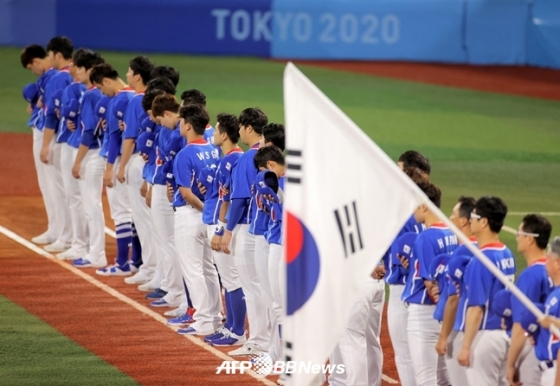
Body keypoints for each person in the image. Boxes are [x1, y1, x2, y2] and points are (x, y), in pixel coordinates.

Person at [220, 107, 270, 356]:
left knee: (252, 286)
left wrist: (227, 231)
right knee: (265, 286)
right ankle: (269, 341)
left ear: (249, 128)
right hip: (270, 229)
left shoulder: (246, 159)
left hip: (249, 228)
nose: (239, 130)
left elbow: (239, 200)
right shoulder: (273, 153)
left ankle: (259, 341)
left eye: (241, 126)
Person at [170, 102, 221, 335]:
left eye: (182, 122)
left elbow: (185, 193)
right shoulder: (214, 149)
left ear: (188, 126)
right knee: (209, 269)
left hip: (191, 215)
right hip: (208, 218)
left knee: (193, 270)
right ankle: (215, 316)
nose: (179, 124)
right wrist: (208, 210)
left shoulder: (184, 154)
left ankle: (202, 320)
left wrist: (202, 208)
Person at [401, 181, 458, 386]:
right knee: (444, 378)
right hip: (445, 314)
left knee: (425, 378)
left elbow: (430, 282)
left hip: (423, 314)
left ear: (424, 205)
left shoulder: (424, 237)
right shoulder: (451, 233)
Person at [457, 196, 516, 385]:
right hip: (505, 335)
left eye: (474, 216)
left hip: (484, 336)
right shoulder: (507, 253)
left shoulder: (481, 260)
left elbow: (476, 308)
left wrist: (466, 347)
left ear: (484, 222)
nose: (471, 220)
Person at [200, 113, 247, 346]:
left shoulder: (233, 160)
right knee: (228, 278)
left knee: (232, 278)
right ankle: (230, 326)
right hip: (218, 223)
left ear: (225, 135)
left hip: (225, 226)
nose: (214, 133)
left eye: (217, 130)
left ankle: (238, 331)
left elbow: (230, 198)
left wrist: (221, 229)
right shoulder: (226, 158)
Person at [385, 152, 430, 386]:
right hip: (427, 291)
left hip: (405, 287)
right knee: (427, 358)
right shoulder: (431, 208)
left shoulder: (403, 210)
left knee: (406, 355)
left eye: (400, 168)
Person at [85, 63, 135, 274]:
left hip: (121, 161)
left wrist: (110, 168)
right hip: (136, 161)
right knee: (134, 213)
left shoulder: (119, 100)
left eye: (99, 87)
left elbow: (114, 138)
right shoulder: (135, 95)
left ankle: (122, 263)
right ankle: (137, 261)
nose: (100, 92)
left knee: (121, 212)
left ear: (106, 81)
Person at [115, 56, 159, 285]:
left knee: (143, 218)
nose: (127, 75)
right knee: (151, 218)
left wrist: (121, 166)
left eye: (130, 72)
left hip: (139, 162)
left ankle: (150, 268)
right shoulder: (154, 99)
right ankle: (154, 269)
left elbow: (130, 137)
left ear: (138, 76)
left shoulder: (135, 101)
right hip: (152, 161)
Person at [69, 50, 107, 268]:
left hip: (91, 154)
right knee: (92, 204)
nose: (77, 72)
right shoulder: (98, 94)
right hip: (96, 153)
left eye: (81, 68)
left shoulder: (92, 94)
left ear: (90, 70)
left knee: (91, 205)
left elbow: (90, 129)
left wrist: (77, 161)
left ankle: (97, 253)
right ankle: (95, 251)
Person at [433, 196, 476, 386]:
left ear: (464, 221)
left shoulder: (463, 252)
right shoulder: (487, 250)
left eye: (454, 214)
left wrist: (443, 337)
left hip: (461, 329)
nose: (449, 217)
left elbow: (454, 298)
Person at [506, 214, 552, 386]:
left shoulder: (529, 276)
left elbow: (520, 327)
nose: (517, 237)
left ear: (530, 239)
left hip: (534, 349)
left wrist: (511, 364)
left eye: (519, 233)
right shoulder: (553, 271)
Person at [39, 36, 75, 254]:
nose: (48, 58)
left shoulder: (57, 79)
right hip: (78, 139)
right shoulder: (77, 76)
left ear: (57, 55)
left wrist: (45, 145)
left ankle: (66, 236)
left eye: (49, 54)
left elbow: (51, 115)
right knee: (73, 193)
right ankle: (75, 237)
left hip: (63, 140)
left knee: (62, 191)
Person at [20, 44, 58, 245]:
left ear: (35, 61)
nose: (32, 71)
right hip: (45, 132)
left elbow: (50, 109)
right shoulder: (49, 77)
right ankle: (56, 229)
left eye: (30, 67)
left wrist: (45, 144)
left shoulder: (53, 76)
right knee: (49, 185)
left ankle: (59, 231)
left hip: (47, 134)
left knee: (51, 185)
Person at [56, 48, 88, 260]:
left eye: (75, 64)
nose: (71, 68)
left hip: (76, 145)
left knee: (76, 197)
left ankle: (80, 244)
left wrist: (68, 117)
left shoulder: (77, 89)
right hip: (83, 144)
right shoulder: (89, 90)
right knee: (80, 198)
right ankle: (81, 243)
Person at [536, 237, 560, 386]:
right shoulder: (555, 293)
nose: (546, 261)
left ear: (558, 263)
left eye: (549, 258)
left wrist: (553, 322)